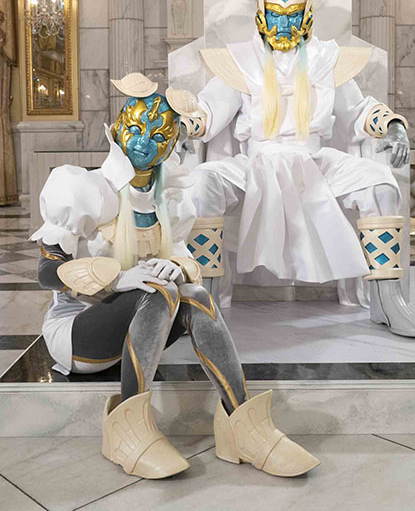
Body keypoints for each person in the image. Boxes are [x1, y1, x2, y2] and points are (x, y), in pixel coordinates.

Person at [167, 0, 415, 339]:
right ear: (262, 16)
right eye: (276, 12)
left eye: (293, 14)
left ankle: (387, 301)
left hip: (315, 158)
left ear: (307, 17)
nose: (284, 22)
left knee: (380, 183)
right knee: (202, 182)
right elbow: (208, 112)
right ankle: (203, 304)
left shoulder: (328, 58)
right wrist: (184, 126)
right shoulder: (240, 60)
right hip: (256, 161)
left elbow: (358, 109)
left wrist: (391, 126)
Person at [31, 72, 319, 479]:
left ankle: (242, 425)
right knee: (159, 291)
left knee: (195, 295)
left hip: (139, 326)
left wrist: (177, 266)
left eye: (157, 135)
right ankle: (128, 428)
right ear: (118, 128)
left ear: (170, 145)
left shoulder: (171, 202)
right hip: (77, 333)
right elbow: (46, 273)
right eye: (135, 128)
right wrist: (117, 279)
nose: (143, 142)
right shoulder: (84, 188)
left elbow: (185, 261)